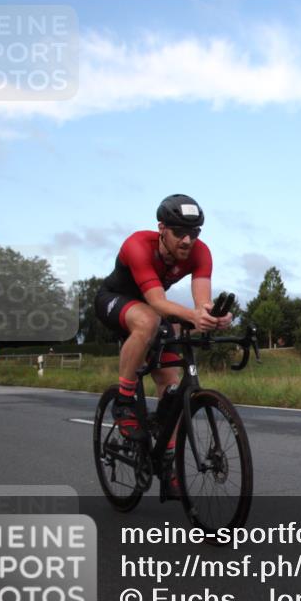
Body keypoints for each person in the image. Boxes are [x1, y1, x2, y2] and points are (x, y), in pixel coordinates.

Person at [94, 194, 232, 495]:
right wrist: (193, 316)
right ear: (161, 229)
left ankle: (166, 459)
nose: (187, 240)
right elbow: (157, 302)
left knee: (171, 381)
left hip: (152, 310)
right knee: (148, 320)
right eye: (179, 232)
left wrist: (212, 317)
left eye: (194, 233)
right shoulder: (138, 246)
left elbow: (201, 302)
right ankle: (124, 399)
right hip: (114, 300)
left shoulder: (200, 253)